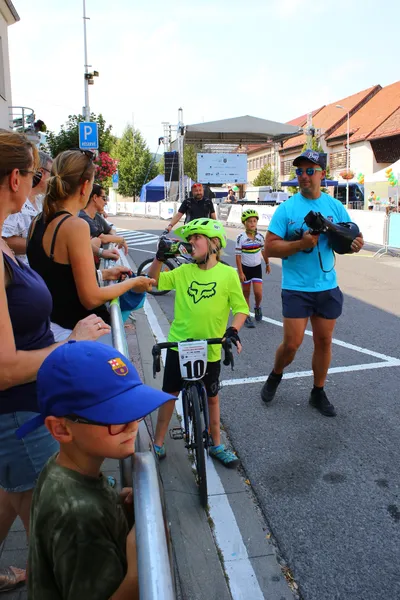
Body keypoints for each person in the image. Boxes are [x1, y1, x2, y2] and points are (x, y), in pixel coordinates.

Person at [0, 132, 110, 594]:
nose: (37, 182)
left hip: (23, 409)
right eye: (33, 174)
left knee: (14, 491)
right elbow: (5, 368)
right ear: (15, 178)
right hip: (21, 410)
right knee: (56, 531)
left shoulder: (10, 241)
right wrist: (74, 342)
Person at [16, 340, 173, 600]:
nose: (133, 425)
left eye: (135, 410)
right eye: (115, 416)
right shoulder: (80, 518)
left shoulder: (57, 468)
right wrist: (140, 572)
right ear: (61, 429)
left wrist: (115, 507)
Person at [261, 150, 364, 417]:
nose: (304, 176)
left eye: (309, 171)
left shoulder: (334, 206)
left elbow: (350, 237)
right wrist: (299, 244)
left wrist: (354, 244)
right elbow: (269, 248)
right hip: (296, 287)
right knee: (293, 344)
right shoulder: (287, 209)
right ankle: (276, 373)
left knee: (324, 341)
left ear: (321, 174)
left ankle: (318, 391)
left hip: (327, 286)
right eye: (299, 172)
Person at [148, 218, 248, 466]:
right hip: (179, 344)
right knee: (169, 394)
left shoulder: (227, 275)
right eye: (189, 239)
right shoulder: (183, 271)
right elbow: (154, 282)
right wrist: (159, 259)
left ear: (214, 244)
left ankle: (217, 444)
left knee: (212, 397)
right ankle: (158, 442)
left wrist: (233, 330)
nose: (190, 243)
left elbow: (241, 308)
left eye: (196, 238)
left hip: (210, 346)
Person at [27, 149, 155, 341]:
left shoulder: (37, 221)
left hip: (50, 326)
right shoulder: (75, 226)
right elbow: (91, 298)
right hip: (80, 333)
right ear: (85, 186)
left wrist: (101, 274)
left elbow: (57, 276)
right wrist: (134, 282)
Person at [2, 150, 52, 264]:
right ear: (40, 173)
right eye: (52, 173)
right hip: (18, 274)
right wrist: (45, 245)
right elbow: (4, 239)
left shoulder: (40, 202)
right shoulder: (16, 201)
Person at [235, 209, 271, 328]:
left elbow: (264, 251)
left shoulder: (260, 237)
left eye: (254, 221)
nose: (252, 223)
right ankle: (246, 315)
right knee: (246, 293)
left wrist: (267, 263)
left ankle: (257, 307)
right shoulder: (241, 238)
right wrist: (240, 272)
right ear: (244, 223)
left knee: (258, 293)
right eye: (249, 221)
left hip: (256, 268)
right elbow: (238, 256)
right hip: (245, 268)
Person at [80, 184, 128, 255]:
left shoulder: (96, 216)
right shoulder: (83, 217)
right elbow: (102, 238)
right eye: (104, 198)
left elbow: (110, 230)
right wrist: (120, 239)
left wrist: (114, 238)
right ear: (95, 197)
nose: (106, 202)